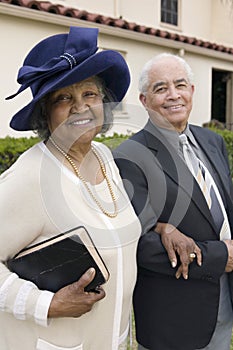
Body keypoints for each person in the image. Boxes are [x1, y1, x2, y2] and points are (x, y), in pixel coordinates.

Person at [0, 26, 141, 350]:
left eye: (89, 94)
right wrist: (46, 305)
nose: (80, 107)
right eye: (64, 98)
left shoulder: (103, 156)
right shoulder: (30, 176)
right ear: (45, 113)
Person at [114, 53, 233, 350]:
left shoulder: (212, 141)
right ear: (144, 100)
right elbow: (141, 245)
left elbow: (221, 208)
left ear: (192, 91)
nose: (173, 95)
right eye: (160, 88)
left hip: (224, 304)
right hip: (175, 321)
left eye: (180, 85)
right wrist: (220, 256)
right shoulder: (129, 156)